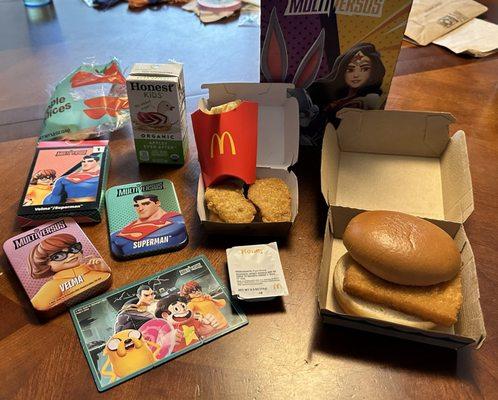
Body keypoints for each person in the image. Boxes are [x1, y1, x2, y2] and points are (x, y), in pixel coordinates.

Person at [29, 234, 111, 311]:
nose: (71, 255)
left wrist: (105, 269)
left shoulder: (95, 266)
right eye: (58, 256)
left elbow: (108, 278)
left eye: (73, 248)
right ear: (44, 264)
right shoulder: (53, 285)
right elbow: (37, 307)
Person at [309, 42, 386, 124]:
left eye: (364, 69)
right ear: (343, 72)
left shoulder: (369, 99)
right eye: (350, 70)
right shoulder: (337, 96)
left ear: (373, 72)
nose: (356, 75)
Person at [110, 194, 187, 258]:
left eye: (145, 204)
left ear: (157, 203)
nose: (140, 208)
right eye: (136, 205)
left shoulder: (177, 220)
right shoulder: (120, 232)